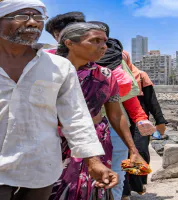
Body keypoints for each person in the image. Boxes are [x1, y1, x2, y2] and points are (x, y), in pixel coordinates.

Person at [0, 1, 117, 200]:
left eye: (38, 18)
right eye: (22, 16)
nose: (33, 23)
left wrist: (93, 161)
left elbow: (76, 116)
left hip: (40, 168)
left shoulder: (59, 66)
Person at [50, 22, 147, 200]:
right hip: (53, 141)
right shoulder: (49, 72)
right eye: (95, 41)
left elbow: (116, 115)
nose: (103, 46)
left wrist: (133, 150)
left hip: (96, 142)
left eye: (105, 42)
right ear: (70, 43)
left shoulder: (106, 76)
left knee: (94, 189)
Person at [122, 52, 168, 199]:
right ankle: (125, 189)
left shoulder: (140, 76)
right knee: (121, 153)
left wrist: (160, 121)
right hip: (120, 119)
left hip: (140, 121)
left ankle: (136, 184)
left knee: (140, 151)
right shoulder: (112, 74)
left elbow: (152, 101)